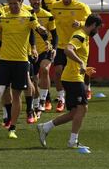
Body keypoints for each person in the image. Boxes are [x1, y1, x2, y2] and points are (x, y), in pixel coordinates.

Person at [0, 0, 46, 139]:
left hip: (21, 62)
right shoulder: (3, 17)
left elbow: (37, 28)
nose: (12, 6)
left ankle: (12, 128)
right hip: (4, 61)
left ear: (21, 2)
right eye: (9, 3)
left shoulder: (28, 16)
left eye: (14, 3)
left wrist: (43, 33)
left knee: (17, 96)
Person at [37, 13, 102, 148]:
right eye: (98, 28)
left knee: (74, 112)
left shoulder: (84, 35)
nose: (98, 31)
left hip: (73, 76)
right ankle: (73, 141)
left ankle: (46, 127)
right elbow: (67, 50)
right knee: (83, 108)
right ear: (94, 25)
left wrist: (84, 68)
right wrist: (80, 63)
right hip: (72, 78)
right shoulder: (80, 36)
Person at [50, 0, 91, 112]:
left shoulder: (81, 7)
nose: (66, 0)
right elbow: (50, 22)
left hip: (76, 45)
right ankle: (61, 98)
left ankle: (85, 89)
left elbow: (90, 22)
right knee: (58, 71)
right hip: (61, 45)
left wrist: (81, 23)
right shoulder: (55, 6)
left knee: (78, 72)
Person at [28, 0, 58, 118]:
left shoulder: (48, 15)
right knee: (33, 79)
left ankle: (42, 101)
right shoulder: (25, 14)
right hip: (29, 51)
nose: (36, 1)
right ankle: (35, 104)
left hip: (45, 49)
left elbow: (55, 35)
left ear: (41, 0)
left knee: (45, 69)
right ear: (30, 0)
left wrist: (55, 48)